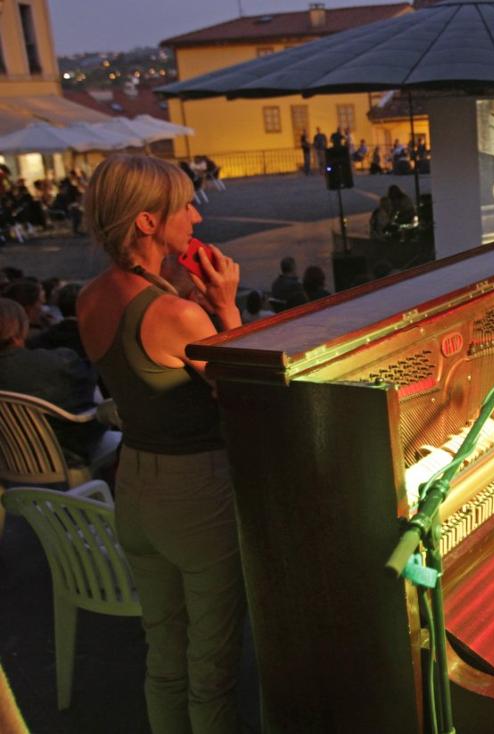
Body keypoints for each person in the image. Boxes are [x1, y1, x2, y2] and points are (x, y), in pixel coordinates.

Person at [75, 154, 245, 734]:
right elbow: (243, 394)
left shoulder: (91, 297)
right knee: (212, 663)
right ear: (148, 223)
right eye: (184, 206)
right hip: (194, 490)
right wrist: (223, 306)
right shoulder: (176, 314)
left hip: (137, 484)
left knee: (164, 652)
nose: (196, 217)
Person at [0, 297, 105, 460]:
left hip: (7, 459)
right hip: (61, 454)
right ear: (21, 327)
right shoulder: (58, 362)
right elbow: (90, 379)